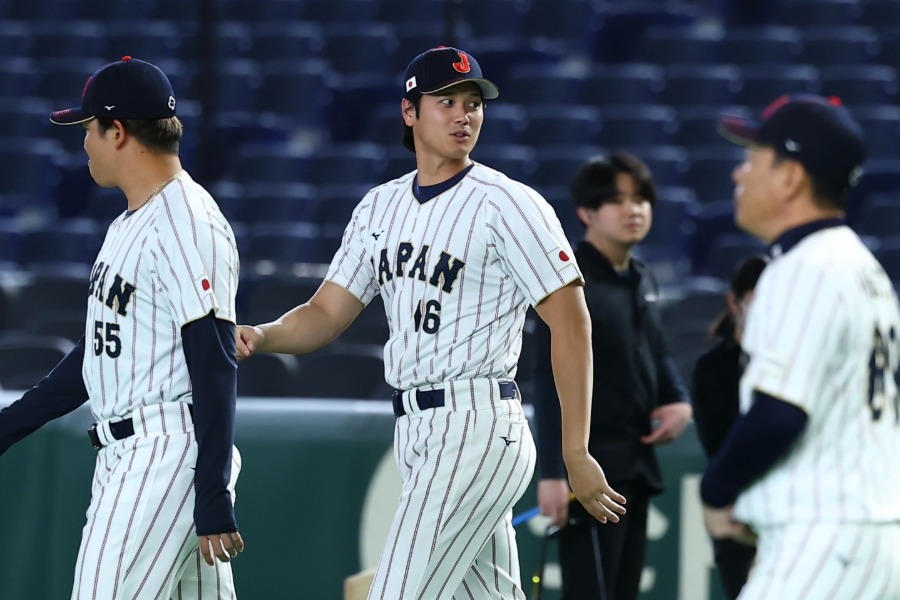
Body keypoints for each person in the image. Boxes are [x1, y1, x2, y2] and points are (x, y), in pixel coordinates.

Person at [236, 46, 626, 599]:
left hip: (478, 423)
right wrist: (264, 334)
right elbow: (325, 313)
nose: (464, 114)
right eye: (446, 101)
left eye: (473, 103)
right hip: (418, 434)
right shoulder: (379, 207)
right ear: (409, 112)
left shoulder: (509, 204)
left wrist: (576, 450)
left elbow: (571, 323)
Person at [0, 56, 244, 598]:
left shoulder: (187, 221)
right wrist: (9, 425)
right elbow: (97, 357)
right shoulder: (131, 222)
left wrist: (212, 491)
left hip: (162, 457)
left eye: (88, 128)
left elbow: (214, 358)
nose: (83, 141)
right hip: (132, 454)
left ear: (118, 131)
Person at [701, 94, 900, 599]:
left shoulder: (804, 269)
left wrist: (717, 489)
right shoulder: (862, 266)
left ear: (790, 177)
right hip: (869, 534)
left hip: (822, 537)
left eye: (753, 160)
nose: (738, 175)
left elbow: (780, 413)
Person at [534, 152, 693, 600]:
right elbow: (548, 383)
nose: (634, 209)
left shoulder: (641, 276)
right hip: (590, 468)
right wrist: (554, 471)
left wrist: (679, 399)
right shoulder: (566, 282)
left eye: (642, 198)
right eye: (618, 200)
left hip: (635, 468)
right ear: (586, 212)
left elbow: (657, 351)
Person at [691, 256, 767, 599]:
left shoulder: (798, 362)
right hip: (739, 509)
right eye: (759, 300)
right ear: (734, 302)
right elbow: (719, 444)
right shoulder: (713, 368)